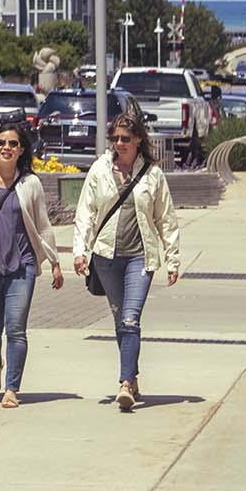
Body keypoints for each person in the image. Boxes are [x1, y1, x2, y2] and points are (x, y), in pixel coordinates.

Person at [73, 111, 182, 413]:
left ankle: (124, 384)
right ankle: (132, 378)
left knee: (131, 318)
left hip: (140, 257)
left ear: (138, 141)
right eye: (116, 138)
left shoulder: (152, 174)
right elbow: (85, 213)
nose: (119, 143)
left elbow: (166, 219)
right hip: (106, 258)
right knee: (121, 320)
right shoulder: (100, 170)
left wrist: (172, 259)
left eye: (126, 139)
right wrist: (80, 252)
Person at [0, 116, 64, 408]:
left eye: (13, 144)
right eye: (1, 143)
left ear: (22, 150)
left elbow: (43, 225)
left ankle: (12, 389)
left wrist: (55, 261)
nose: (6, 147)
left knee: (16, 329)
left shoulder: (30, 183)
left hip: (23, 266)